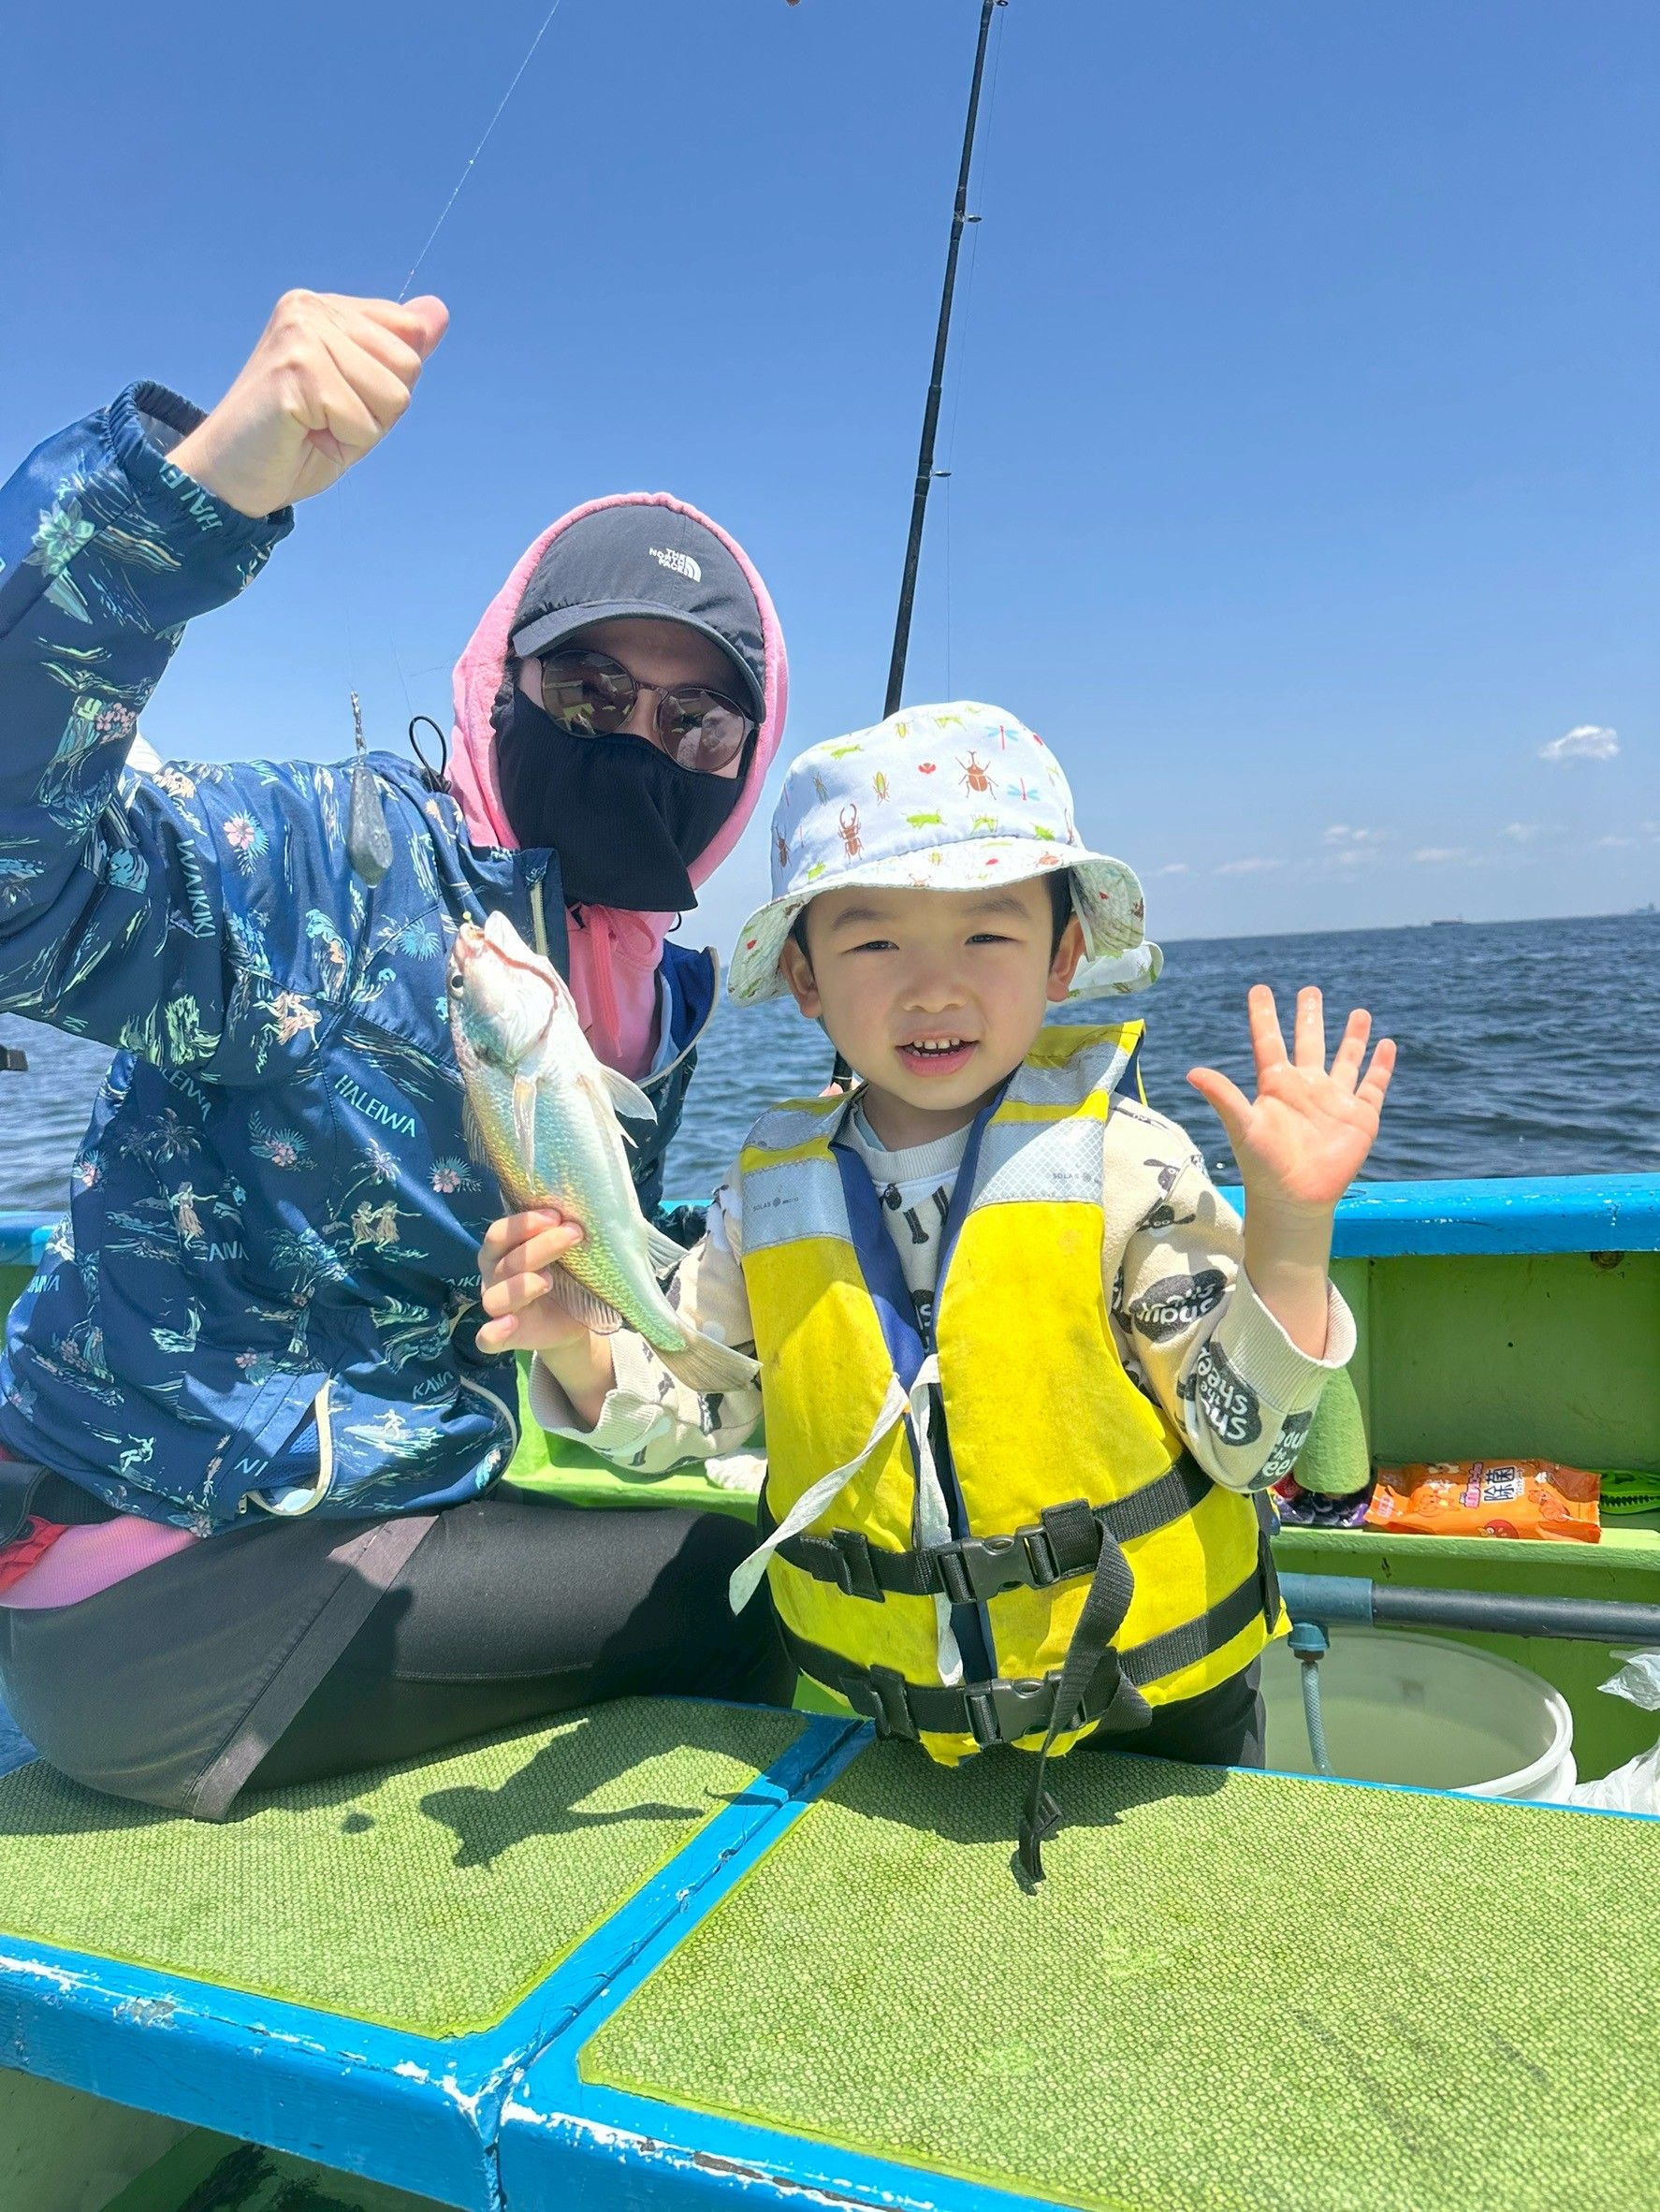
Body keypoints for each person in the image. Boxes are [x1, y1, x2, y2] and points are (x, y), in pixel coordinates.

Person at [0, 289, 794, 1819]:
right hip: (168, 1580)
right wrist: (189, 493)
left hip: (374, 1509)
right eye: (589, 691)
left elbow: (557, 1290)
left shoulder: (640, 988)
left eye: (697, 721)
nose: (638, 742)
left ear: (741, 757)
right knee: (753, 1588)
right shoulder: (331, 866)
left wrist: (588, 1324)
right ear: (501, 685)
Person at [483, 701, 1395, 1875]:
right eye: (873, 945)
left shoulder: (1130, 1166)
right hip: (883, 1728)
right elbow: (694, 1413)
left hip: (1158, 1723)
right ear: (804, 978)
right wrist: (574, 1340)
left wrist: (1291, 1233)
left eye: (986, 936)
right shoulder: (765, 1192)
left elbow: (1247, 1447)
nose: (931, 989)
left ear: (1062, 957)